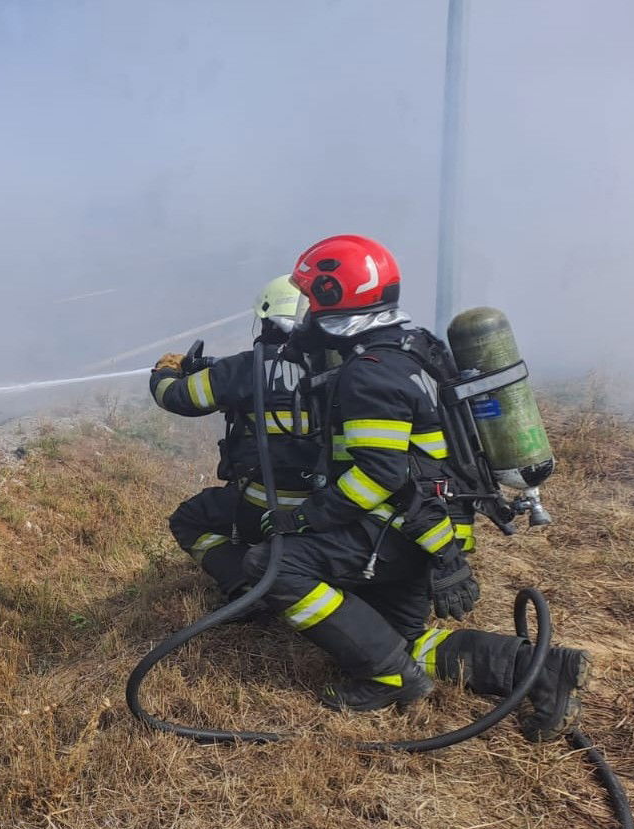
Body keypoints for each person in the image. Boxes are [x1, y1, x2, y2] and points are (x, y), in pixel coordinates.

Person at [244, 234, 588, 741]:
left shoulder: (369, 375)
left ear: (333, 298)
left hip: (411, 529)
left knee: (272, 565)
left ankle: (388, 678)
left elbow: (380, 475)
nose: (306, 311)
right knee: (397, 637)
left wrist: (304, 519)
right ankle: (541, 671)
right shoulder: (411, 346)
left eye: (312, 297)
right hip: (434, 524)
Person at [150, 276, 318, 601]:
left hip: (263, 507)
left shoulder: (245, 369)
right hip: (325, 510)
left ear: (268, 320)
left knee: (190, 519)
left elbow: (174, 397)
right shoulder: (341, 370)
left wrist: (166, 369)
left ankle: (244, 587)